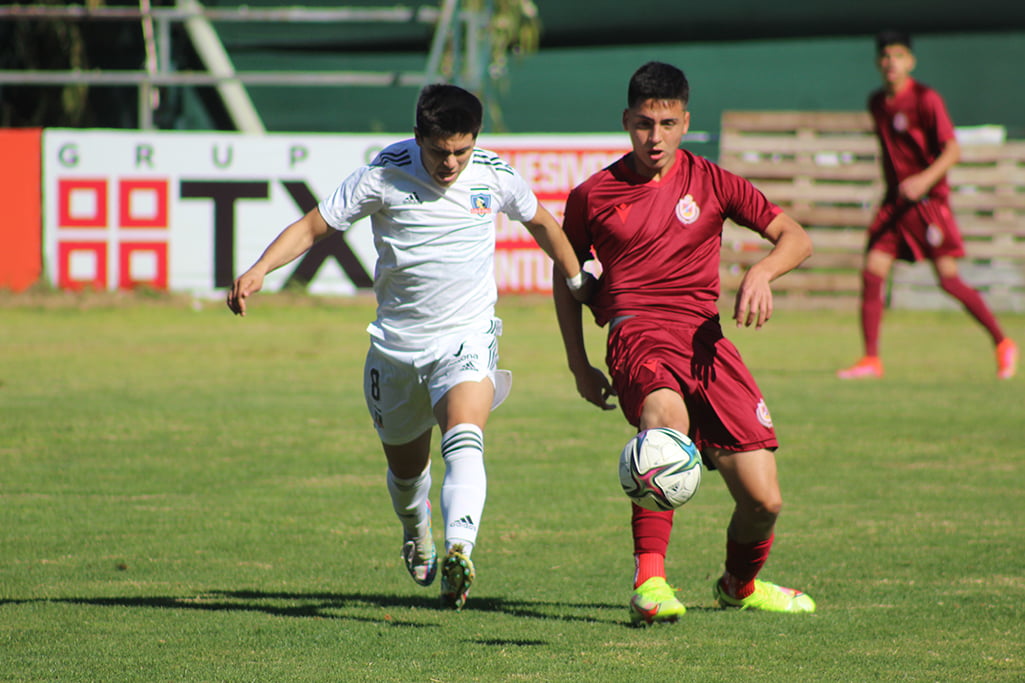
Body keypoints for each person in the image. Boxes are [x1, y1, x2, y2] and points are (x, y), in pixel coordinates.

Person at [227, 84, 591, 610]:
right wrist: (261, 268)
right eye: (440, 151)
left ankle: (460, 550)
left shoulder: (494, 175)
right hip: (397, 346)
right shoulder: (383, 175)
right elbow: (313, 226)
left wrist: (577, 278)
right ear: (419, 137)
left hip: (466, 335)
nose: (451, 163)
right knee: (406, 473)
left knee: (465, 436)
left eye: (462, 151)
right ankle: (416, 529)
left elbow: (541, 223)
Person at [553, 61, 817, 625]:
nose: (656, 137)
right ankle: (649, 583)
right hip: (637, 334)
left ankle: (739, 586)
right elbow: (566, 274)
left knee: (764, 500)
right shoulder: (593, 195)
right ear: (626, 120)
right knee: (663, 426)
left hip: (705, 342)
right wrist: (579, 365)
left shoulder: (713, 181)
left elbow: (794, 237)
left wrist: (762, 272)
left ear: (686, 122)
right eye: (644, 124)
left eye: (668, 124)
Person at [838, 30, 1018, 380]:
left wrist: (924, 180)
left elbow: (953, 150)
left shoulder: (926, 99)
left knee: (949, 280)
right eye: (885, 56)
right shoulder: (877, 102)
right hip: (895, 205)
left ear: (911, 61)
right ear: (878, 62)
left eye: (898, 56)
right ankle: (871, 359)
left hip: (927, 205)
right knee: (873, 271)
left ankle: (1002, 342)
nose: (891, 63)